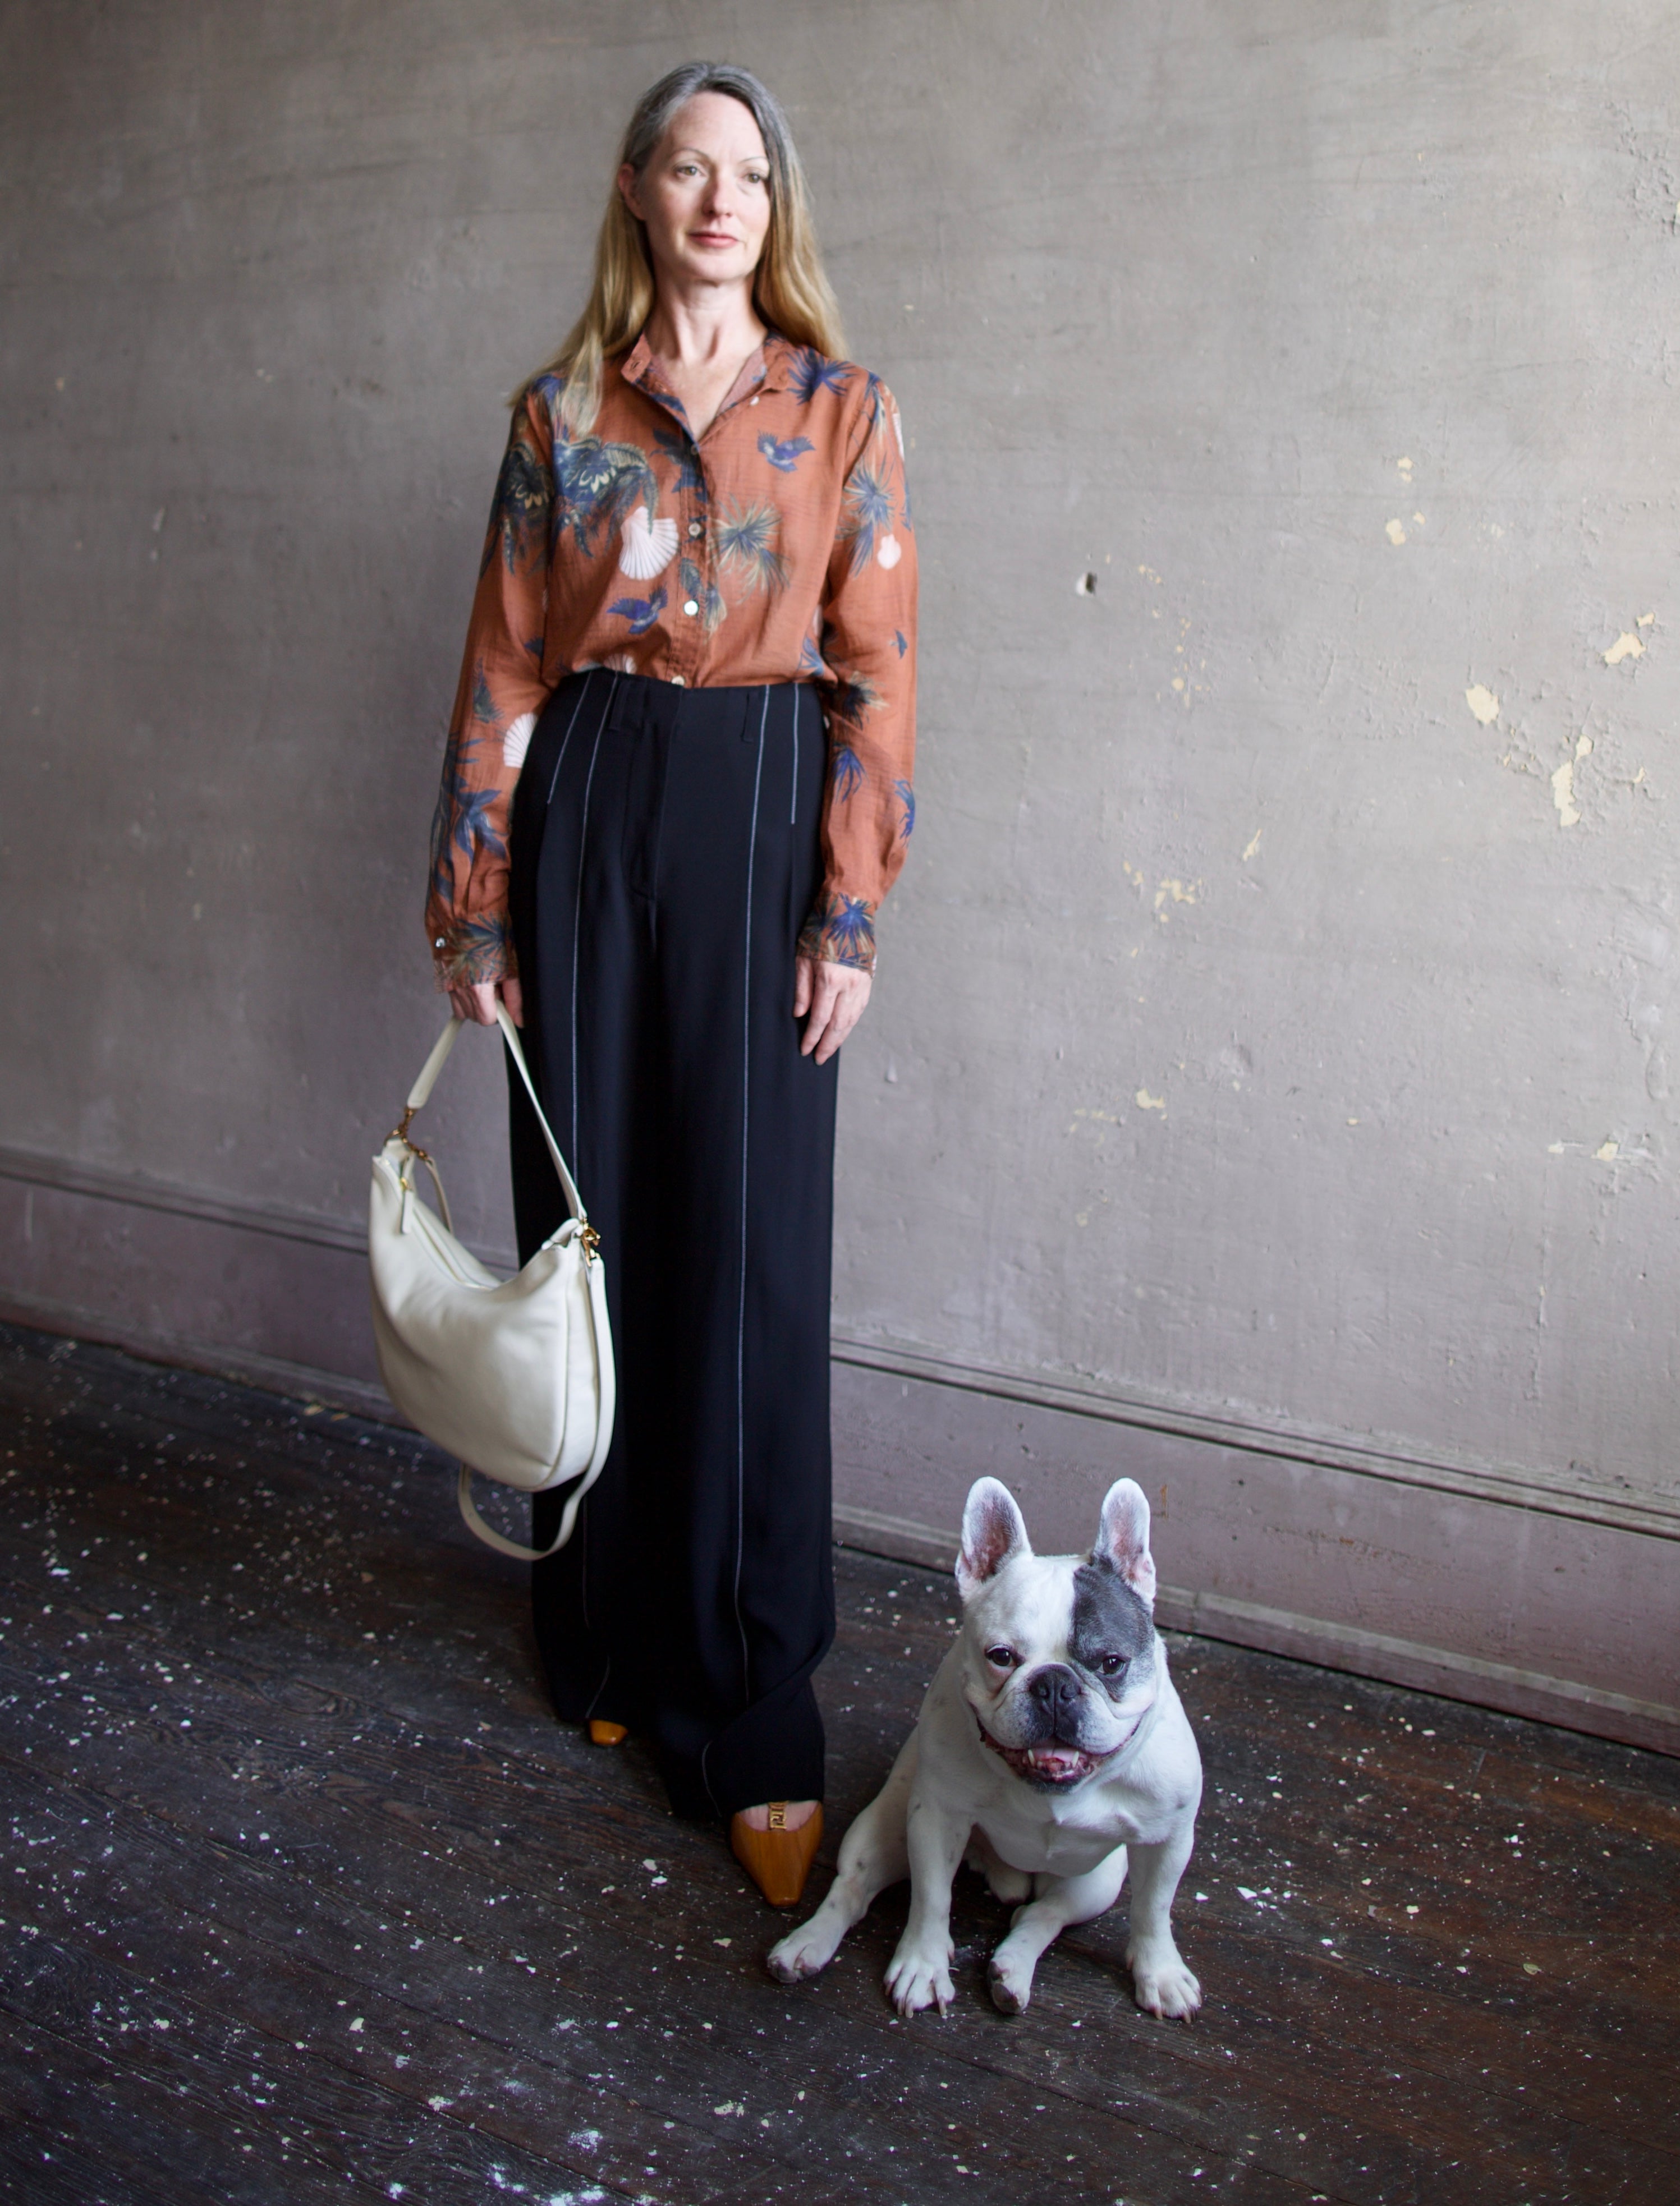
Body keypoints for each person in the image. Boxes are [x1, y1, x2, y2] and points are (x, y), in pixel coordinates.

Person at [424, 61, 916, 1909]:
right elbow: (498, 669)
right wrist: (477, 905)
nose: (725, 199)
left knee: (746, 1244)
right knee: (589, 1228)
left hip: (764, 800)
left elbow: (879, 669)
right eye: (690, 169)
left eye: (752, 172)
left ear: (778, 205)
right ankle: (611, 1634)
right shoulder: (560, 415)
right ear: (635, 192)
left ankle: (754, 1695)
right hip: (586, 804)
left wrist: (844, 911)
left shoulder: (843, 409)